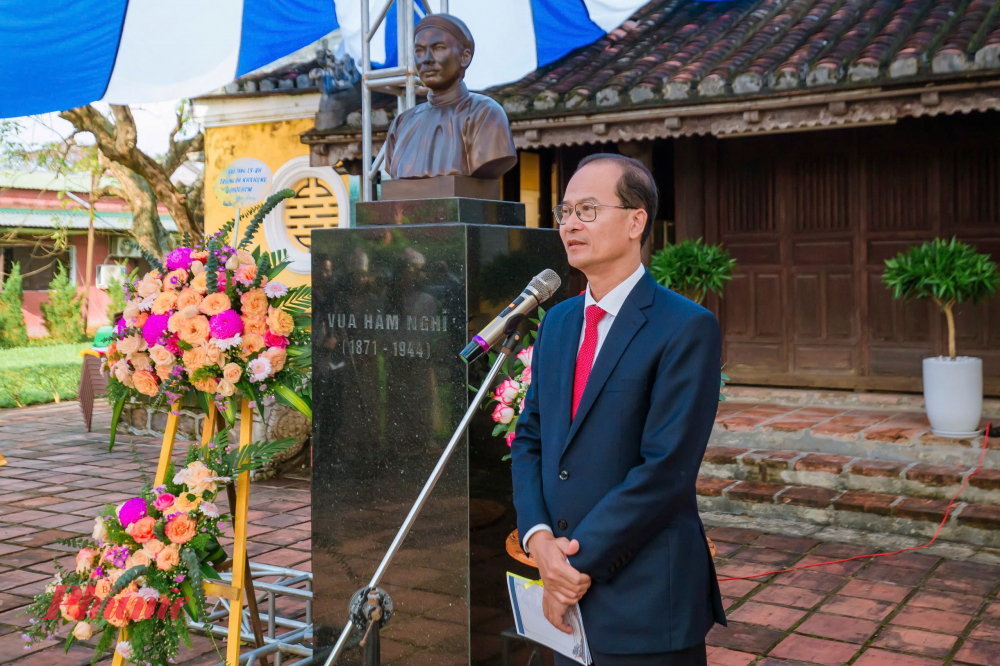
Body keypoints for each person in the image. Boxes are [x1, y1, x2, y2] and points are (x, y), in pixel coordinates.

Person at [510, 154, 726, 666]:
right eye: (564, 212)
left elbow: (665, 470)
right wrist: (540, 541)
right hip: (561, 593)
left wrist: (573, 567)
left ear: (636, 221)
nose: (569, 224)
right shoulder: (559, 321)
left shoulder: (685, 327)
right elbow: (531, 438)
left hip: (645, 600)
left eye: (587, 209)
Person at [384, 14, 517, 181]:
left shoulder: (486, 114)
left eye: (438, 48)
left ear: (465, 57)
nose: (427, 60)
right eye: (419, 50)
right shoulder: (402, 123)